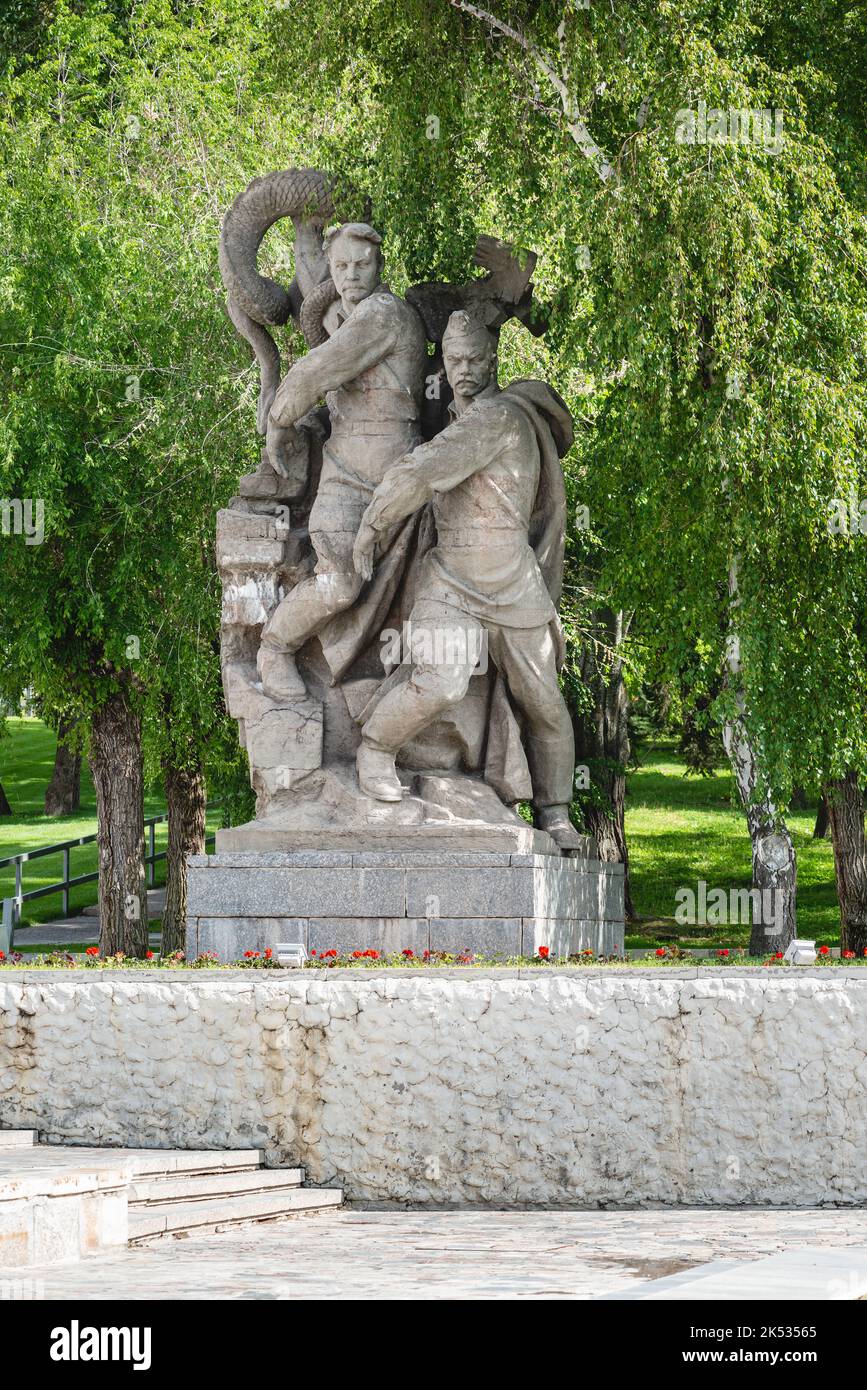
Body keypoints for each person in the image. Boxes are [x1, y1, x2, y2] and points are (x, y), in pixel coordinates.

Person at [351, 310, 581, 851]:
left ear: (495, 359)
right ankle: (374, 750)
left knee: (543, 701)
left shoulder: (496, 418)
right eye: (454, 360)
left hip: (513, 583)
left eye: (476, 359)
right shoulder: (459, 416)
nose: (464, 370)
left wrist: (370, 528)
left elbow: (420, 472)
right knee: (442, 679)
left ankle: (556, 813)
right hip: (450, 579)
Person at [257, 222, 427, 700]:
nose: (352, 274)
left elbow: (318, 369)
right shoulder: (350, 320)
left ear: (380, 266)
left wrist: (279, 418)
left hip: (398, 484)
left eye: (362, 265)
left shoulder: (384, 314)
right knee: (338, 583)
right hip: (346, 479)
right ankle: (275, 647)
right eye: (341, 266)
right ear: (331, 270)